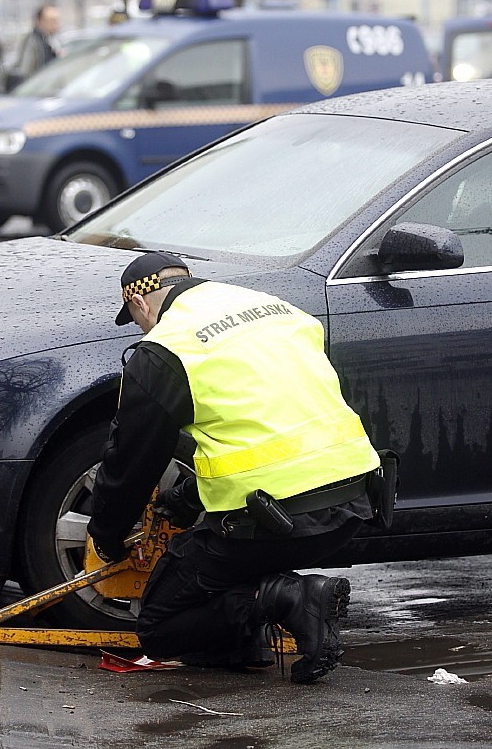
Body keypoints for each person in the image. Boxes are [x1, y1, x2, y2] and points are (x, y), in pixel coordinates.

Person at [87, 252, 382, 683]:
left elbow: (132, 462)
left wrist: (108, 535)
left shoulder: (166, 348)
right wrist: (187, 497)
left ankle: (293, 599)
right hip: (355, 502)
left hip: (278, 522)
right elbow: (263, 423)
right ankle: (243, 641)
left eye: (136, 320)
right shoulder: (272, 308)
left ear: (140, 305)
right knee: (218, 554)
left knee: (159, 628)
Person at [7, 5, 60, 90]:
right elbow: (26, 72)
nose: (56, 24)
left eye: (57, 20)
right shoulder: (33, 41)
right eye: (52, 21)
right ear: (40, 21)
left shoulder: (48, 40)